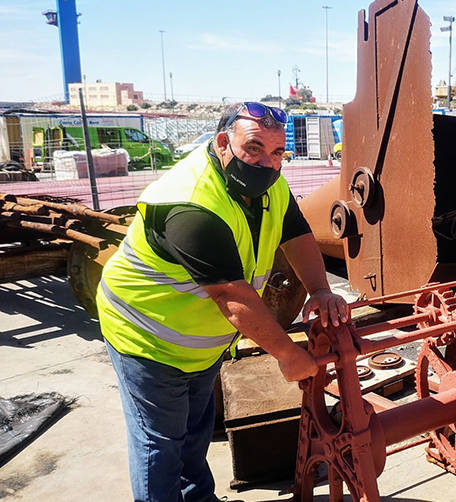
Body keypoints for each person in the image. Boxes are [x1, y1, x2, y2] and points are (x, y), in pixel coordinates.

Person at [96, 102, 349, 502]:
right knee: (159, 442)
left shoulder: (270, 184)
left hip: (199, 338)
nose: (267, 162)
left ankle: (197, 497)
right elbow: (231, 296)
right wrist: (287, 354)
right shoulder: (191, 204)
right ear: (223, 143)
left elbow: (297, 233)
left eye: (278, 152)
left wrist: (319, 289)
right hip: (144, 333)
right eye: (254, 148)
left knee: (195, 430)